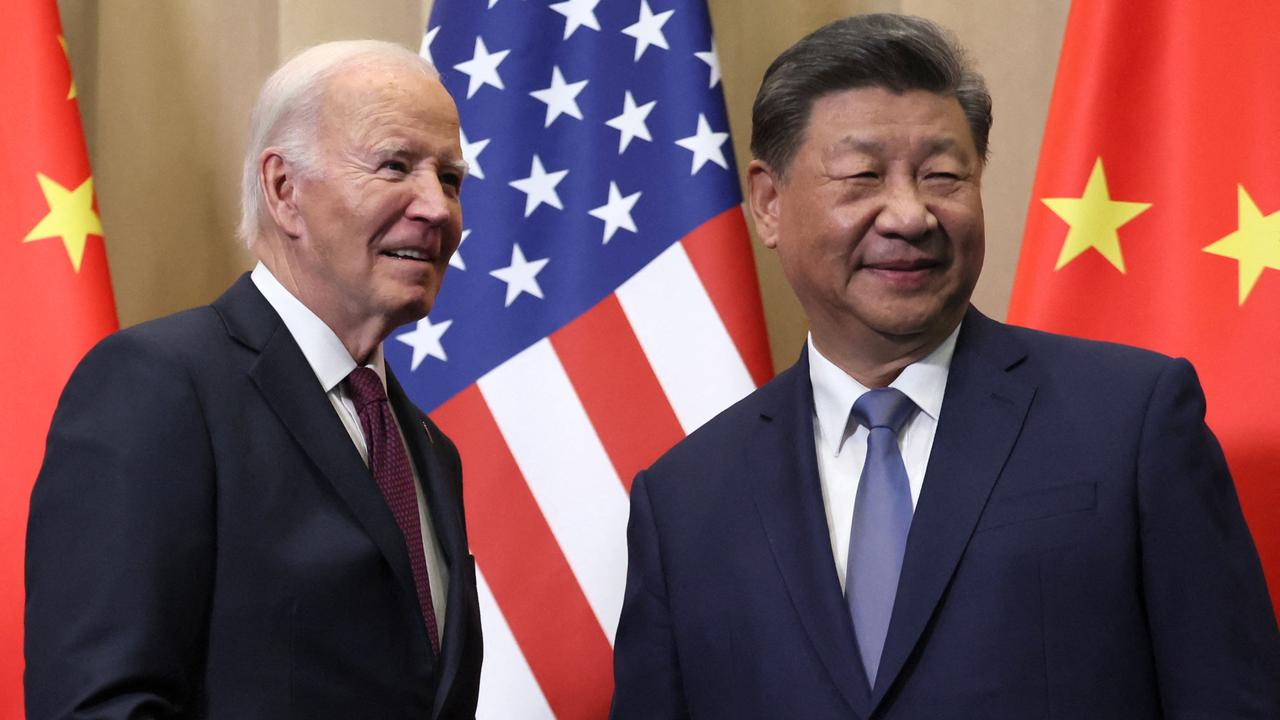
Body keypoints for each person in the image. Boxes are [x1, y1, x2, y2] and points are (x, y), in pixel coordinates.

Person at [610, 13, 1280, 719]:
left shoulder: (1131, 422)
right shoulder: (684, 501)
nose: (909, 214)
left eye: (943, 175)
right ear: (768, 202)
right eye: (863, 175)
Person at [25, 40, 481, 719]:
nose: (439, 210)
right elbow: (99, 705)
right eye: (395, 166)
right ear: (283, 189)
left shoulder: (427, 448)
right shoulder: (159, 388)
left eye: (449, 179)